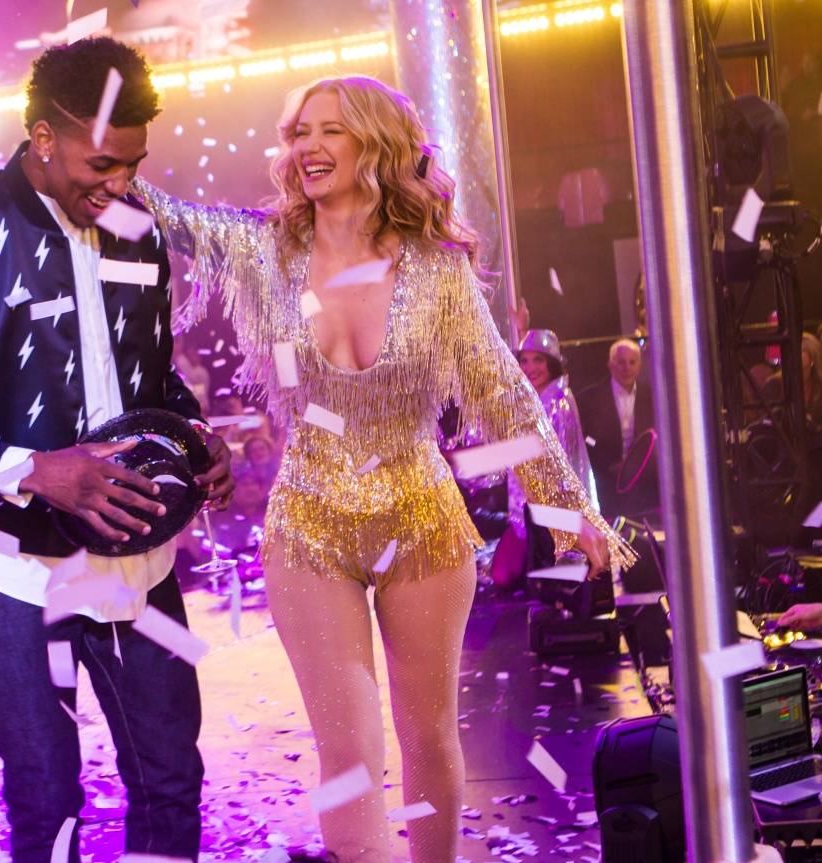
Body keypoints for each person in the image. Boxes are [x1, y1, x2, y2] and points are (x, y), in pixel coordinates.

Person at [133, 76, 633, 863]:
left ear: (375, 143)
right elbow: (171, 217)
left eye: (328, 130)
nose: (306, 147)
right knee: (349, 752)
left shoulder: (437, 270)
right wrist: (95, 155)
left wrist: (567, 505)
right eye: (298, 132)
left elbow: (504, 391)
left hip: (419, 516)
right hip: (309, 520)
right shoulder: (266, 250)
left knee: (427, 736)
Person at [0, 38, 233, 863]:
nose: (122, 184)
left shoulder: (137, 229)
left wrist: (194, 436)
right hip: (15, 575)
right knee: (46, 803)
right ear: (41, 137)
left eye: (133, 164)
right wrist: (35, 471)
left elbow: (148, 376)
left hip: (142, 564)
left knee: (172, 782)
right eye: (102, 164)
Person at [490, 330, 597, 590]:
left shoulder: (559, 401)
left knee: (528, 580)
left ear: (552, 363)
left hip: (556, 514)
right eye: (524, 360)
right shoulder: (526, 400)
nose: (530, 368)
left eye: (538, 360)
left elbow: (553, 463)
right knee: (502, 576)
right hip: (526, 514)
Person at [577, 339, 656, 518]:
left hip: (643, 484)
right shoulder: (589, 398)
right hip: (604, 482)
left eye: (632, 362)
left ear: (639, 366)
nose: (627, 368)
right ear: (610, 365)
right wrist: (610, 464)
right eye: (621, 362)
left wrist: (634, 465)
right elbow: (585, 438)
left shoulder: (652, 396)